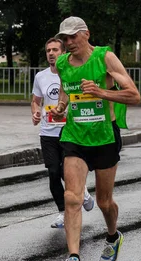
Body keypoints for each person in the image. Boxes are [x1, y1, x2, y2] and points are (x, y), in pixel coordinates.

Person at [51, 16, 140, 261]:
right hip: (75, 136)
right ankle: (74, 259)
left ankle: (113, 236)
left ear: (86, 34)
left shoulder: (105, 58)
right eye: (63, 39)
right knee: (72, 198)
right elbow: (68, 90)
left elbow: (134, 95)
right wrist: (61, 106)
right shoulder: (62, 63)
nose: (67, 43)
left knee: (103, 202)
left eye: (71, 37)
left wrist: (101, 92)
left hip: (104, 137)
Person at [31, 37, 95, 229]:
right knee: (53, 172)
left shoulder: (72, 73)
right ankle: (62, 212)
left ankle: (82, 192)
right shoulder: (40, 77)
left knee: (68, 171)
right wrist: (35, 112)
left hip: (70, 130)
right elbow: (36, 100)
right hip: (48, 132)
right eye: (48, 50)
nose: (51, 54)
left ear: (63, 52)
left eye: (55, 50)